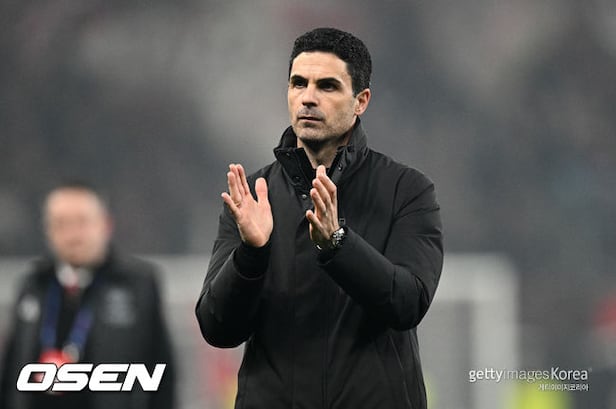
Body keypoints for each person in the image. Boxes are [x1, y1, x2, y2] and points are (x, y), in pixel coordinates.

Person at [195, 27, 443, 409]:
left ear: (361, 101)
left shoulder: (406, 190)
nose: (308, 97)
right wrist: (250, 255)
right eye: (299, 83)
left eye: (327, 86)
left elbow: (408, 303)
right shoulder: (253, 196)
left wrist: (339, 244)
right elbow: (217, 328)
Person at [0, 182, 175, 409]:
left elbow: (162, 372)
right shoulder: (33, 285)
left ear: (106, 225)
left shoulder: (136, 285)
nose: (72, 235)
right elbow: (11, 370)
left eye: (82, 222)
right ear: (47, 230)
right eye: (61, 224)